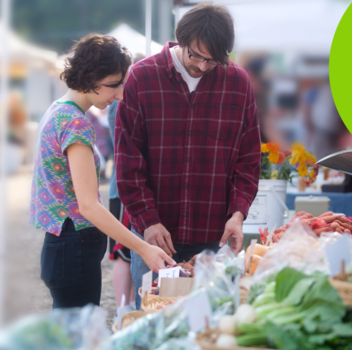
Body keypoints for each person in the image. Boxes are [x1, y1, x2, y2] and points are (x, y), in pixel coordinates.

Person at [115, 2, 261, 309]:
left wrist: (238, 213)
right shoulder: (142, 78)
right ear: (181, 39)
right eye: (196, 55)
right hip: (153, 234)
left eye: (214, 60)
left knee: (208, 323)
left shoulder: (237, 82)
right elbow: (128, 163)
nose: (203, 66)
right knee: (154, 322)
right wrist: (147, 221)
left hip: (212, 234)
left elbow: (248, 160)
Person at [30, 34, 175, 309]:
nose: (120, 94)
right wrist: (142, 247)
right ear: (89, 78)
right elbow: (89, 206)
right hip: (73, 246)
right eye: (113, 85)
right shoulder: (75, 123)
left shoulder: (57, 111)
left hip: (62, 245)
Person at [107, 52, 146, 312]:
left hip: (125, 188)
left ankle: (129, 306)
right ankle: (124, 309)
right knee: (122, 252)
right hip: (121, 190)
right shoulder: (117, 102)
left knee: (131, 251)